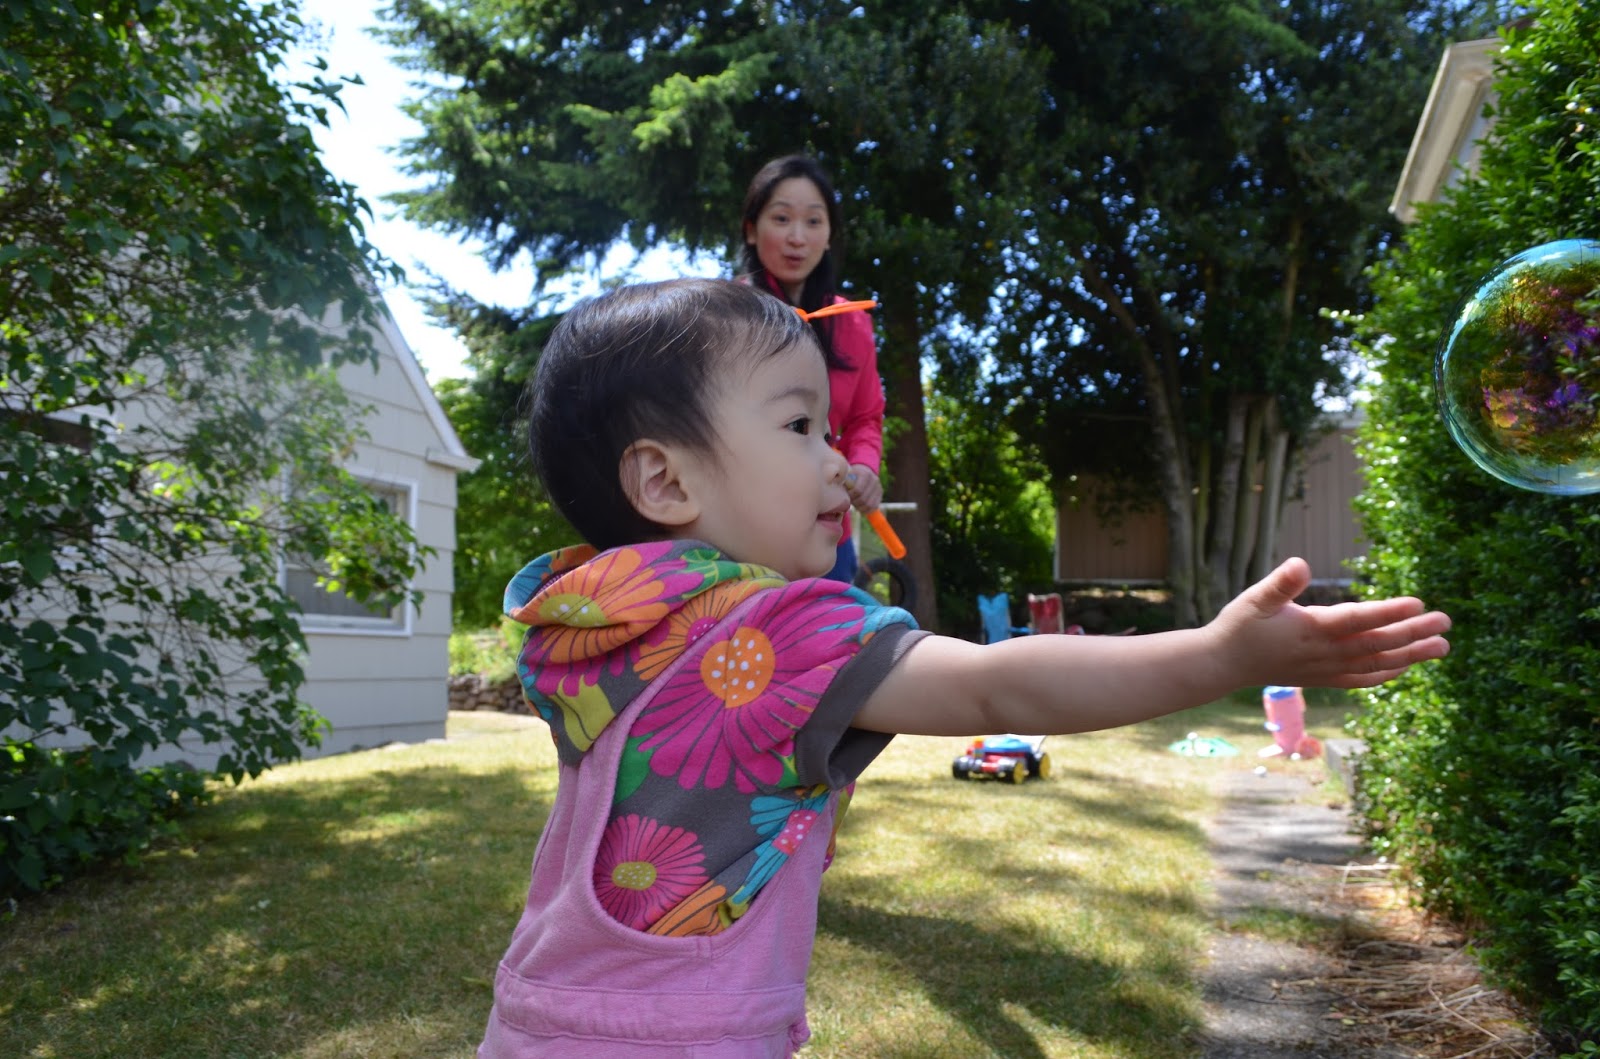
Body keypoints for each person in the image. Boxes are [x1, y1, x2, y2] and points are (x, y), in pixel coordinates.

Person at [478, 278, 1452, 1058]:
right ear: (664, 480)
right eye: (799, 428)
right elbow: (998, 685)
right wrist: (1218, 655)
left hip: (532, 1020)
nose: (842, 465)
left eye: (832, 429)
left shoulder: (587, 619)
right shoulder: (774, 633)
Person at [738, 154, 883, 584]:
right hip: (743, 528)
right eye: (781, 218)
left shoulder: (852, 321)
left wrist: (865, 467)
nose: (797, 238)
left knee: (834, 629)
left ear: (829, 235)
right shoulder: (725, 315)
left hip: (827, 532)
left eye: (814, 221)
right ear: (751, 229)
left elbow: (866, 416)